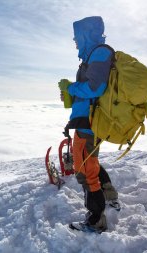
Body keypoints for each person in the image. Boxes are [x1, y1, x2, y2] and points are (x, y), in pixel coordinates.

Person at [60, 16, 120, 233]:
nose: (74, 41)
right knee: (89, 162)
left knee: (85, 170)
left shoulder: (100, 53)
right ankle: (110, 196)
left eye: (77, 36)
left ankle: (96, 219)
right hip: (86, 120)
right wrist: (71, 95)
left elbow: (95, 89)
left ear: (86, 34)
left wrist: (71, 88)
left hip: (91, 122)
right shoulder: (92, 56)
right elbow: (91, 91)